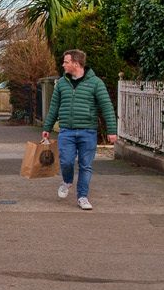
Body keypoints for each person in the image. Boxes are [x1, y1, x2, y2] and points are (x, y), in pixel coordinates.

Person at [41, 49, 117, 210]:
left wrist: (112, 130)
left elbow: (107, 107)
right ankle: (67, 181)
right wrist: (47, 127)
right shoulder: (62, 83)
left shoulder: (95, 83)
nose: (63, 64)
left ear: (76, 63)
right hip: (67, 131)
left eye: (66, 62)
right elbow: (54, 106)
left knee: (85, 165)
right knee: (66, 161)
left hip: (88, 131)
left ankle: (82, 197)